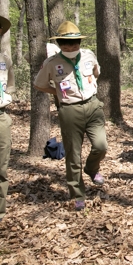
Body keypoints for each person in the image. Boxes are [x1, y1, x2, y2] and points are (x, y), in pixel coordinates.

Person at [33, 21, 108, 211]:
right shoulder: (52, 63)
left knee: (101, 146)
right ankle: (77, 194)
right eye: (65, 43)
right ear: (58, 43)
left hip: (92, 106)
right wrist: (57, 92)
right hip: (69, 110)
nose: (71, 46)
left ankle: (92, 169)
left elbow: (96, 72)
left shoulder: (88, 55)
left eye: (75, 42)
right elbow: (39, 84)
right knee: (73, 155)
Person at [0, 16, 15, 222]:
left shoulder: (5, 59)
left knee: (1, 168)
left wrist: (8, 96)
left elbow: (10, 84)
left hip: (2, 118)